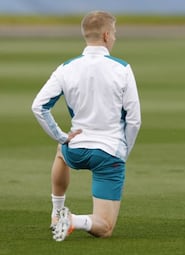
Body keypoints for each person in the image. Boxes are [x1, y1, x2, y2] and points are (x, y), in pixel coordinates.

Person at [31, 10, 141, 241]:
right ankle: (73, 220)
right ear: (105, 36)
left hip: (76, 149)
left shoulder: (66, 67)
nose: (115, 38)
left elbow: (39, 106)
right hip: (108, 154)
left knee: (61, 153)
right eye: (114, 34)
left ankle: (57, 210)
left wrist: (61, 137)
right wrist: (124, 152)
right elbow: (134, 119)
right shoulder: (122, 68)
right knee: (104, 227)